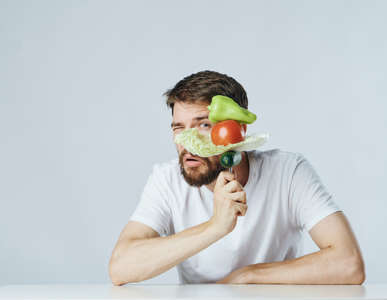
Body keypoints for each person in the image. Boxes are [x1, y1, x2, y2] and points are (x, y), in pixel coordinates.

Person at [108, 70, 365, 286]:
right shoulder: (166, 179)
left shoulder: (289, 172)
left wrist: (247, 276)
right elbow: (121, 267)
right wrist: (215, 226)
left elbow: (349, 263)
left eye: (204, 125)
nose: (187, 144)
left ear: (238, 131)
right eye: (179, 128)